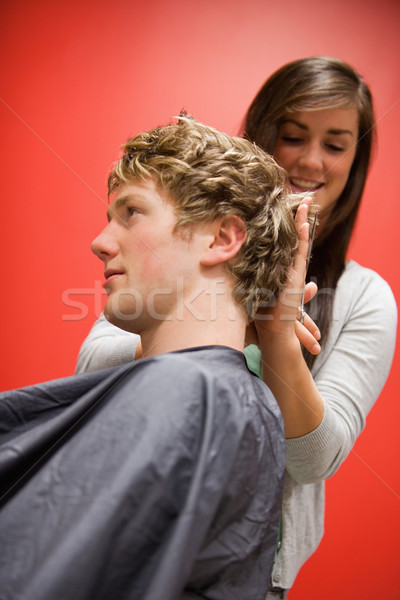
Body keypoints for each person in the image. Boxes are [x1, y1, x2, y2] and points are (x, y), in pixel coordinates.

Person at [74, 57, 397, 598]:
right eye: (293, 136)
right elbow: (94, 366)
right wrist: (227, 328)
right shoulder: (186, 241)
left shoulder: (366, 298)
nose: (312, 160)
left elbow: (314, 457)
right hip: (129, 538)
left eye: (336, 145)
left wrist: (276, 341)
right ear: (262, 134)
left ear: (355, 162)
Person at [0, 116, 315, 599]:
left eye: (132, 213)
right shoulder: (218, 397)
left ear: (221, 239)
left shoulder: (194, 392)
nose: (100, 242)